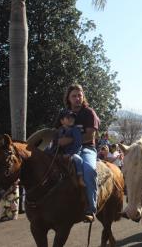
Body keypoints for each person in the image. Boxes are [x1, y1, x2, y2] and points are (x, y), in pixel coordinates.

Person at [59, 84, 100, 223]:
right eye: (74, 96)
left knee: (89, 170)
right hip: (66, 150)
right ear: (68, 98)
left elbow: (90, 136)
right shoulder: (64, 114)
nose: (77, 98)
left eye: (79, 95)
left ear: (83, 97)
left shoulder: (89, 112)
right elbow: (56, 132)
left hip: (86, 148)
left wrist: (69, 140)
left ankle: (91, 208)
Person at [51, 109, 86, 187]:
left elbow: (78, 143)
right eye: (68, 118)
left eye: (72, 118)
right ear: (62, 121)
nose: (71, 119)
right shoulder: (58, 131)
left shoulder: (76, 130)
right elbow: (54, 143)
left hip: (72, 152)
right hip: (60, 153)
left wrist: (70, 154)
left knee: (78, 159)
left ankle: (80, 177)